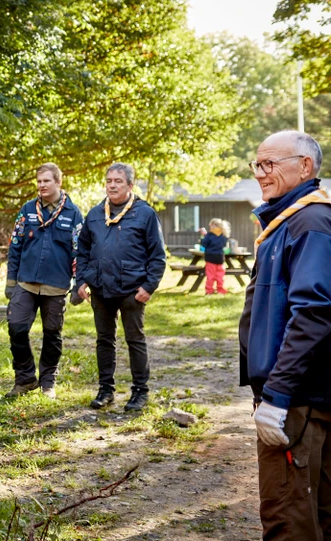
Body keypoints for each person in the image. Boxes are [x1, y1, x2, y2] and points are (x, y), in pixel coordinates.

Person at [239, 130, 331, 540]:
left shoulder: (309, 222)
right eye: (257, 164)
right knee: (316, 518)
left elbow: (313, 312)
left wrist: (276, 395)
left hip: (298, 401)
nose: (261, 173)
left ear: (305, 166)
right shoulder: (289, 220)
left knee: (289, 522)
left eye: (270, 163)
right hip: (299, 396)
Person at [75, 163, 166, 412]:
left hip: (132, 290)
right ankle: (106, 390)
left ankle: (140, 392)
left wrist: (149, 286)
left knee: (135, 340)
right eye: (109, 181)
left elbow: (158, 255)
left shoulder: (145, 214)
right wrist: (81, 280)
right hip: (101, 288)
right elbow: (82, 251)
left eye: (118, 181)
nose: (112, 185)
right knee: (104, 340)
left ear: (130, 185)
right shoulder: (95, 214)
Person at [4, 163, 84, 400]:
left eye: (46, 181)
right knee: (16, 327)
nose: (41, 185)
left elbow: (80, 252)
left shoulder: (73, 213)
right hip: (26, 283)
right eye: (39, 181)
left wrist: (79, 284)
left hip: (55, 286)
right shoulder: (28, 209)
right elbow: (15, 245)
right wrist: (11, 280)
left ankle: (48, 383)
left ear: (58, 182)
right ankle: (25, 379)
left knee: (52, 335)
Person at [200, 218, 230, 295]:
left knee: (210, 275)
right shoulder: (224, 234)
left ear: (214, 225)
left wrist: (203, 236)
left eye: (211, 225)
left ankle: (209, 290)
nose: (210, 227)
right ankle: (220, 289)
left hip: (210, 257)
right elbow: (224, 244)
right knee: (220, 275)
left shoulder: (209, 235)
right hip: (220, 257)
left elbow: (204, 244)